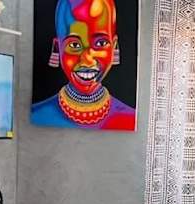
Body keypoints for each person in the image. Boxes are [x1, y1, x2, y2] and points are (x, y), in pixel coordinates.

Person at [30, 0, 136, 131]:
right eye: (74, 45)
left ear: (113, 47)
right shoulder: (36, 115)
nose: (87, 60)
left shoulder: (131, 118)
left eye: (100, 43)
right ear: (58, 48)